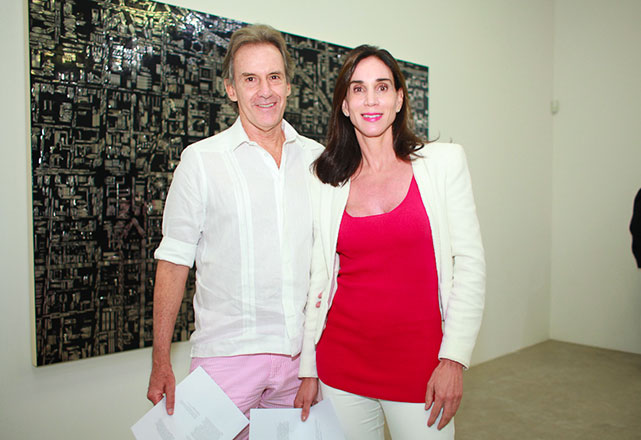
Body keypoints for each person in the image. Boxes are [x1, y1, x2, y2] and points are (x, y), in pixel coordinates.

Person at [294, 45, 486, 439]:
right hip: (341, 367)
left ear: (399, 99)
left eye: (381, 87)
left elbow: (470, 264)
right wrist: (309, 369)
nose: (370, 100)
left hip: (422, 371)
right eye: (358, 89)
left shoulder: (444, 164)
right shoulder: (325, 180)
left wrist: (454, 360)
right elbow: (319, 277)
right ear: (344, 105)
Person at [146, 24, 323, 440]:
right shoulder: (200, 162)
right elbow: (173, 263)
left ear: (288, 85)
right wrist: (160, 360)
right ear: (231, 89)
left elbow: (329, 263)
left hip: (302, 365)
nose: (265, 91)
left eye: (274, 77)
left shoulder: (318, 161)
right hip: (225, 360)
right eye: (250, 79)